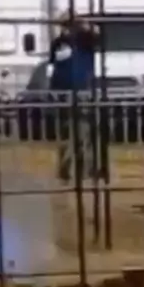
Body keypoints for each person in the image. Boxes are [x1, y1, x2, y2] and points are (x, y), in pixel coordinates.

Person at [47, 13, 97, 185]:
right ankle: (65, 171)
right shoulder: (57, 43)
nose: (66, 29)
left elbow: (96, 35)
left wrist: (82, 23)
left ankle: (85, 171)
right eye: (64, 25)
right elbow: (52, 66)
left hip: (82, 92)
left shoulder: (85, 40)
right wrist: (52, 90)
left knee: (83, 133)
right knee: (65, 134)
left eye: (69, 24)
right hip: (62, 93)